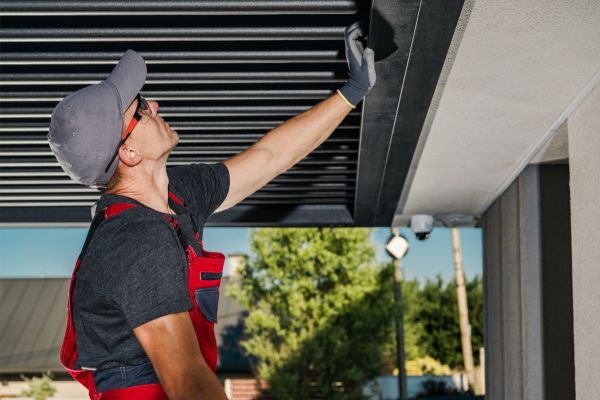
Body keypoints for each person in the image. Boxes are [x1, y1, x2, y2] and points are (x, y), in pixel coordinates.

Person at [50, 22, 375, 400]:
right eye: (140, 108)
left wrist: (350, 93)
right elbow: (188, 384)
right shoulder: (135, 241)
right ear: (129, 153)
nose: (154, 106)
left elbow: (270, 158)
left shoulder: (176, 196)